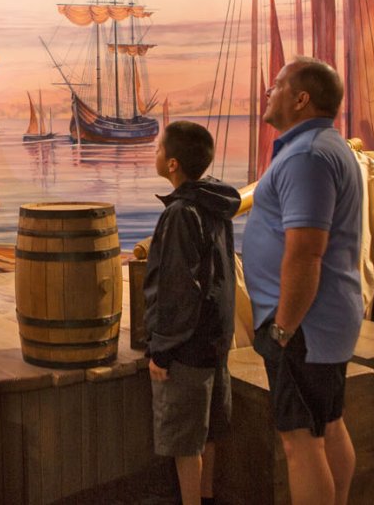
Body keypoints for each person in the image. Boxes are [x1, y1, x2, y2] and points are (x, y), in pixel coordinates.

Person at [242, 56, 364, 505]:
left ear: (301, 98)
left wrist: (283, 328)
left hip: (303, 325)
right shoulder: (323, 147)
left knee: (299, 441)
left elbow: (306, 252)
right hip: (323, 320)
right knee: (328, 422)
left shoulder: (308, 157)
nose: (268, 93)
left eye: (276, 86)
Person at [144, 120, 240, 505]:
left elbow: (177, 290)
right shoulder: (213, 203)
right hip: (214, 340)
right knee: (208, 432)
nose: (155, 153)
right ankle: (207, 497)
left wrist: (161, 349)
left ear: (172, 164)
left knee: (187, 442)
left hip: (187, 347)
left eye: (157, 148)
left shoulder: (182, 213)